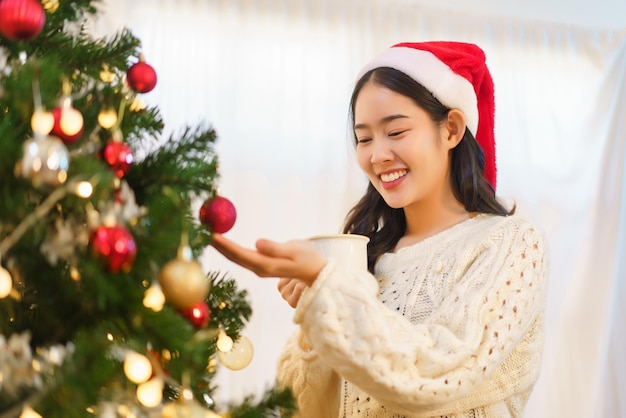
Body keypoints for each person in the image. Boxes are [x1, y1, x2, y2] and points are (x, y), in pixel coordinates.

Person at [211, 41, 548, 418]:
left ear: (451, 129)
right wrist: (318, 309)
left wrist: (329, 285)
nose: (377, 155)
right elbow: (302, 407)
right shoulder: (363, 256)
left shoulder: (509, 242)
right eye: (364, 138)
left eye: (396, 131)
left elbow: (437, 375)